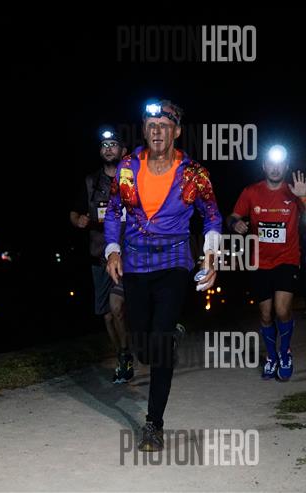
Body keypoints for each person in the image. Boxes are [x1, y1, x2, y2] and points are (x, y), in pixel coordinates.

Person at [104, 99, 222, 451]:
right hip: (135, 263)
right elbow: (113, 211)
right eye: (151, 125)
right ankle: (165, 340)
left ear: (177, 131)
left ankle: (153, 423)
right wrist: (113, 249)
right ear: (144, 130)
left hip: (173, 262)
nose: (157, 131)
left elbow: (212, 216)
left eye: (164, 126)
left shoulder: (193, 173)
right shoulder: (127, 167)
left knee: (158, 343)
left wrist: (210, 255)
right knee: (143, 348)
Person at [227, 145, 306, 381]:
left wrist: (303, 196)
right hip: (259, 262)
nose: (275, 168)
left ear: (286, 167)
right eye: (271, 163)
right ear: (264, 166)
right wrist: (235, 224)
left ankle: (285, 352)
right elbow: (233, 216)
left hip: (287, 259)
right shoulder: (251, 192)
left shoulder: (294, 191)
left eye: (280, 164)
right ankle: (271, 356)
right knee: (266, 314)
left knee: (282, 310)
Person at [70, 129, 132, 383]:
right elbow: (74, 212)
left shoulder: (133, 180)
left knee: (117, 307)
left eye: (113, 144)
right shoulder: (90, 182)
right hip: (99, 257)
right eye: (104, 145)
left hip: (128, 256)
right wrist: (78, 220)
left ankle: (130, 353)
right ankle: (122, 356)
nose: (108, 148)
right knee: (107, 315)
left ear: (123, 151)